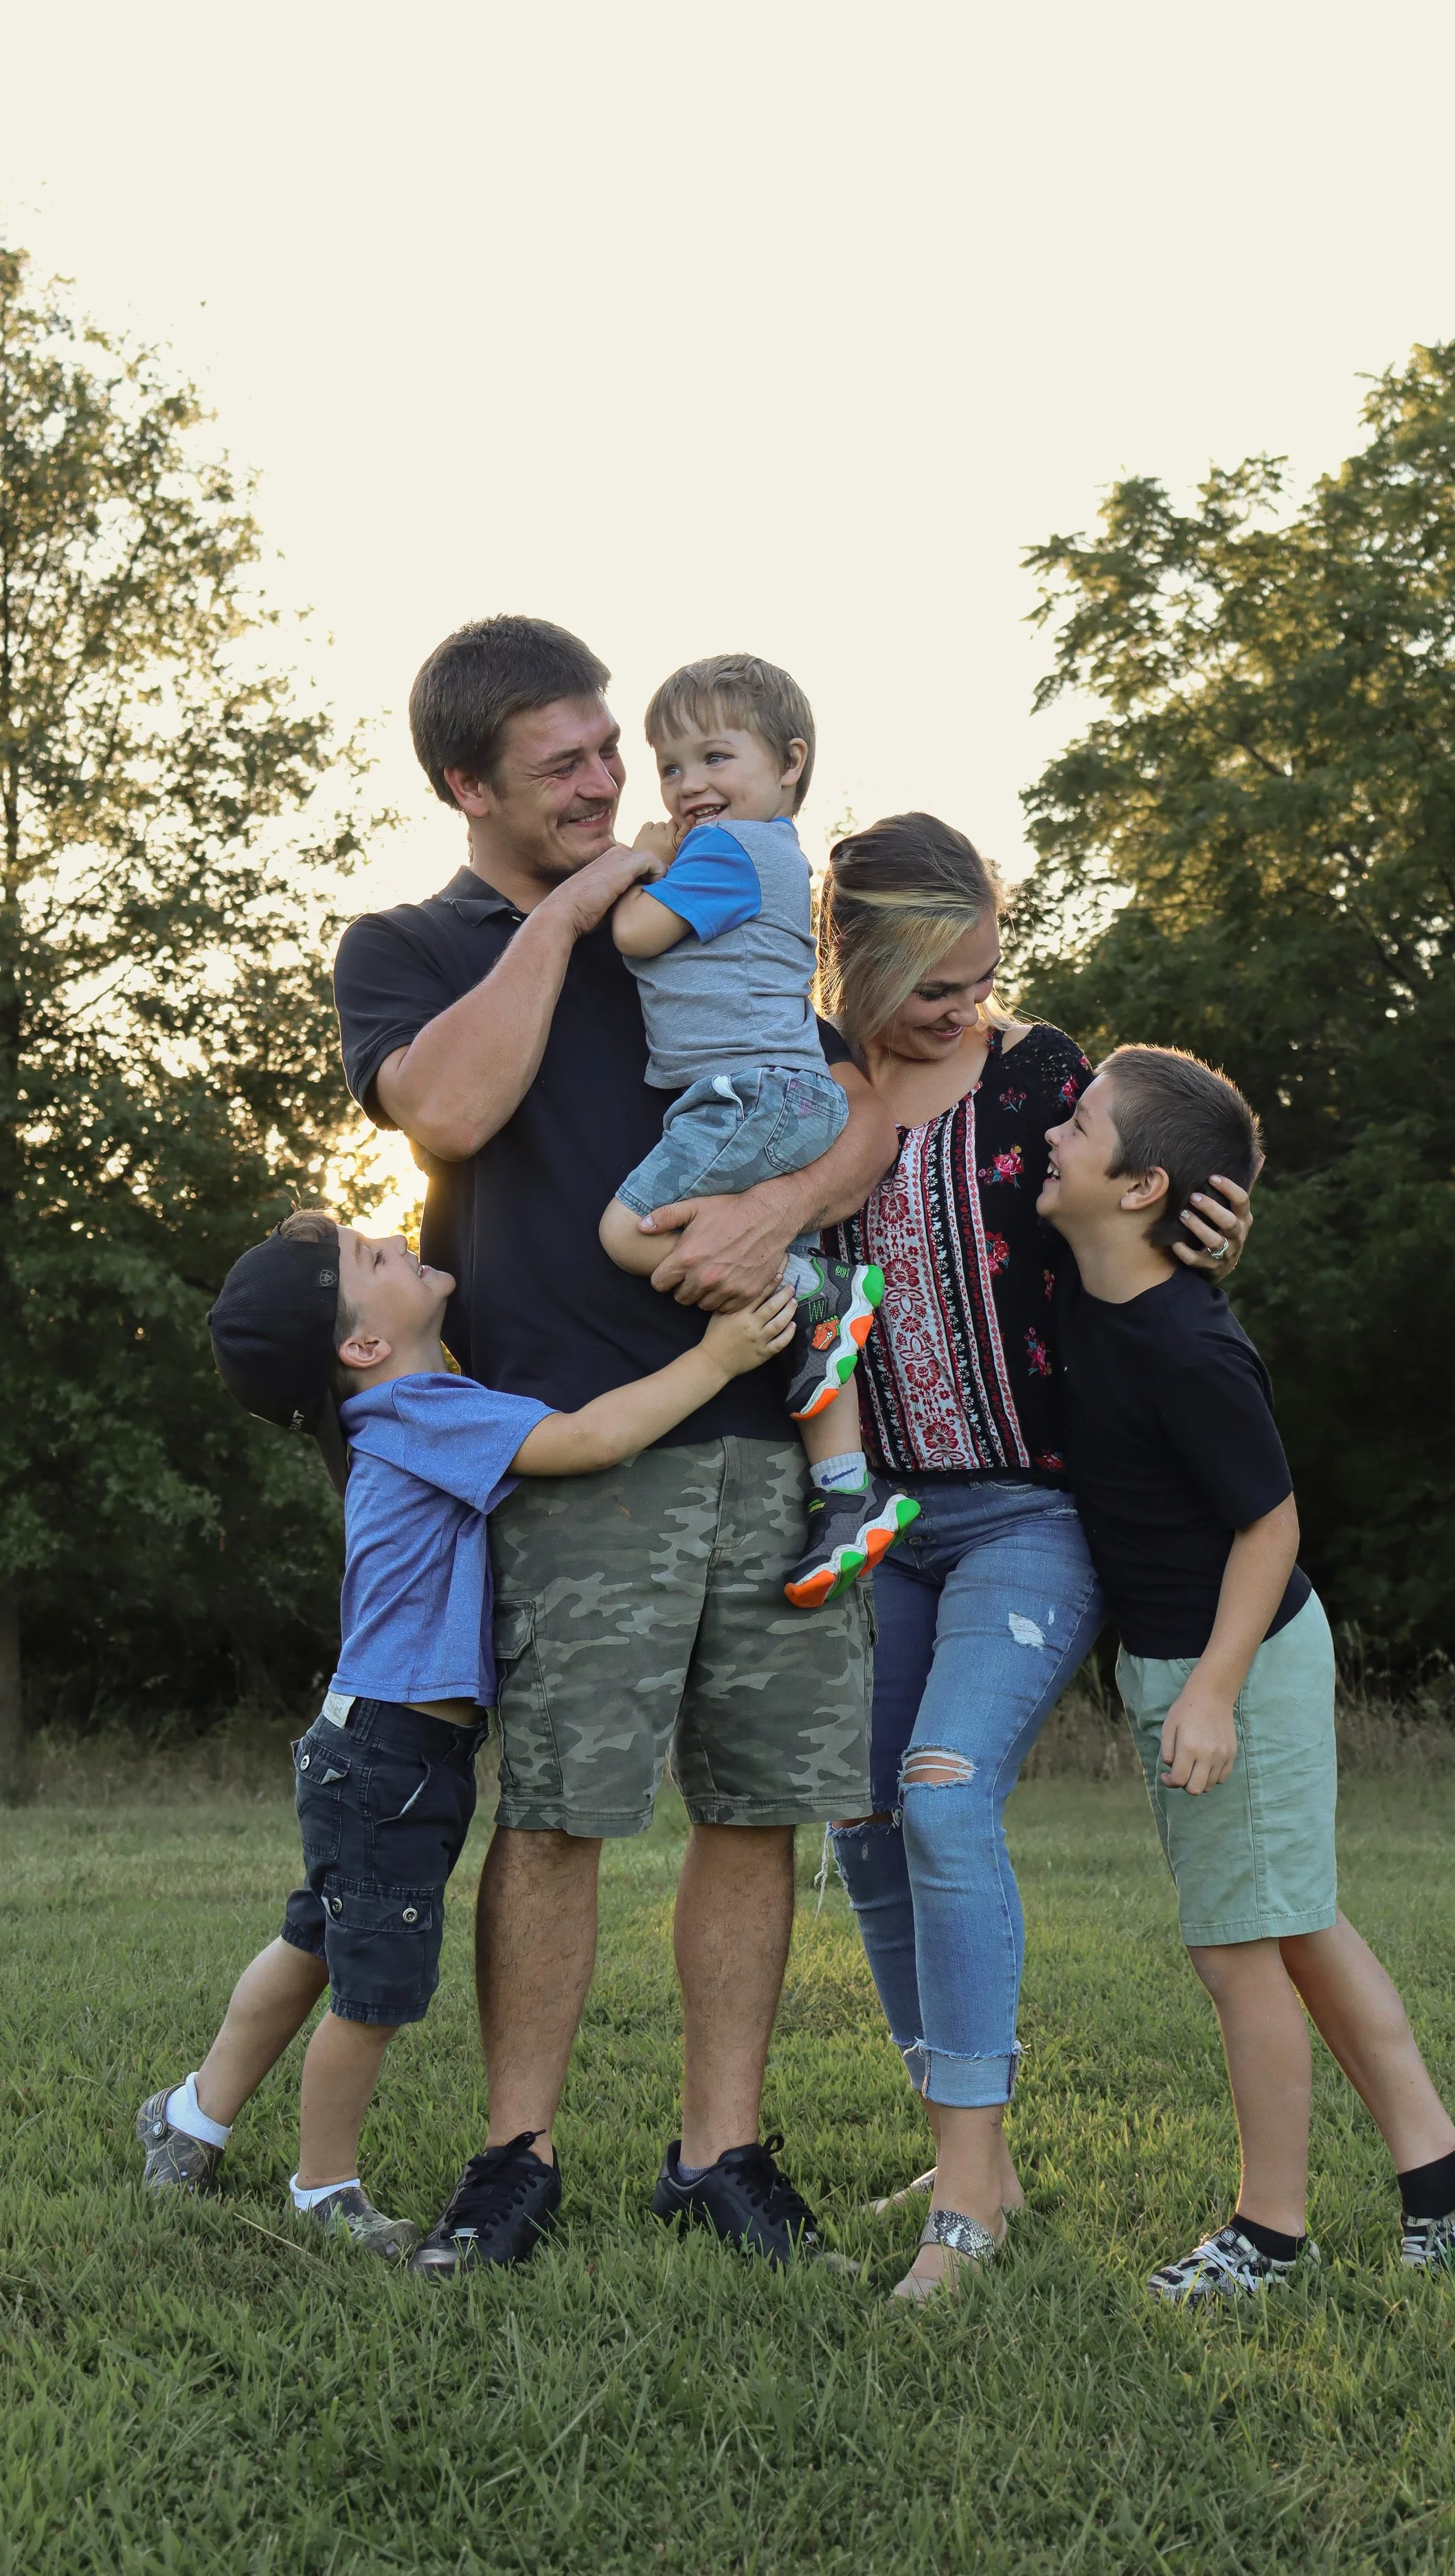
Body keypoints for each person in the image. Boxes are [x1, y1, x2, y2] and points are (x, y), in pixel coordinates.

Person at [330, 617, 896, 2271]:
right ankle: (517, 2154)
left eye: (608, 752)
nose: (603, 784)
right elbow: (443, 1112)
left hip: (772, 1430)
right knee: (565, 1810)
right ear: (466, 787)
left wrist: (783, 1205)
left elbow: (853, 1101)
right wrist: (573, 913)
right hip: (579, 1448)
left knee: (755, 1805)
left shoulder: (720, 895)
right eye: (561, 767)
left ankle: (719, 2152)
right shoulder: (413, 947)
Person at [137, 1211, 794, 2263]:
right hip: (392, 1757)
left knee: (317, 1938)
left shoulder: (396, 1414)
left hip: (374, 1748)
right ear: (359, 1345)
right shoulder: (423, 1410)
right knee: (372, 1988)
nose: (396, 1238)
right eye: (371, 1257)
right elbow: (589, 1439)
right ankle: (324, 2187)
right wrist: (718, 1355)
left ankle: (191, 2115)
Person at [817, 815, 1253, 2298]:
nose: (962, 1007)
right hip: (889, 1525)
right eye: (931, 984)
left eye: (980, 973)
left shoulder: (1033, 1078)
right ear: (857, 959)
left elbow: (1141, 1206)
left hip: (1032, 1514)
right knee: (861, 1826)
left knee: (941, 1800)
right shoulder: (819, 1087)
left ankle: (968, 2219)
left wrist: (1209, 1225)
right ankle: (966, 2150)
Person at [1042, 1043, 1455, 2298]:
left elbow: (1271, 1525)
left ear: (1142, 1185)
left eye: (1083, 1120)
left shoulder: (1189, 1346)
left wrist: (1209, 1691)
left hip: (1240, 1659)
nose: (1056, 1128)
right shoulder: (1081, 1279)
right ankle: (1451, 2183)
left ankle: (1270, 2235)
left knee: (1239, 1950)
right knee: (1295, 1926)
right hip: (1187, 1657)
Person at [596, 653, 919, 1607]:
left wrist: (637, 855)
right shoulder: (771, 851)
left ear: (789, 763)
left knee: (629, 1230)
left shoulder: (726, 852)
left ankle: (815, 1282)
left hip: (750, 1099)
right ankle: (847, 1494)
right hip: (787, 1098)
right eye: (671, 767)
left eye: (714, 756)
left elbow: (633, 935)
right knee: (815, 1335)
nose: (690, 785)